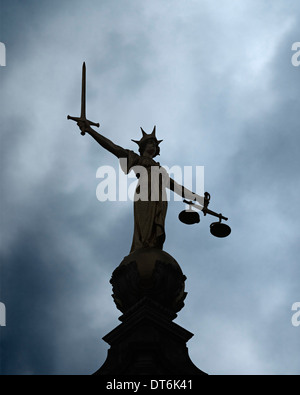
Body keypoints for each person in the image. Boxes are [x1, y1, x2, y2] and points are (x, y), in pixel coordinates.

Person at [76, 121, 204, 253]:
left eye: (154, 144)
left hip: (160, 199)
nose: (153, 146)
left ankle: (152, 249)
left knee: (155, 231)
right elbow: (113, 147)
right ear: (143, 147)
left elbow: (177, 187)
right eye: (150, 143)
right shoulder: (136, 158)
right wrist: (91, 131)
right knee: (144, 228)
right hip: (144, 193)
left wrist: (197, 197)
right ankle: (141, 250)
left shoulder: (161, 170)